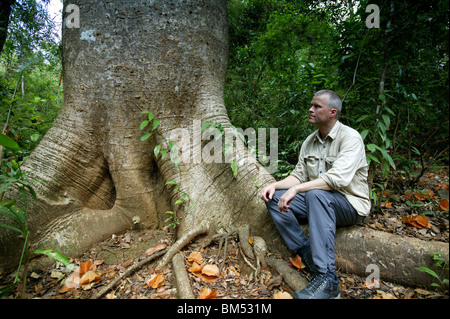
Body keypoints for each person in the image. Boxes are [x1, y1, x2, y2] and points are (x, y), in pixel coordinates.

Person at [261, 90, 370, 299]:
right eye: (311, 105)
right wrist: (275, 186)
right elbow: (299, 175)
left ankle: (327, 279)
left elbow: (336, 179)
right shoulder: (310, 141)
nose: (311, 110)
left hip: (350, 205)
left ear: (332, 112)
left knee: (315, 194)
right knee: (274, 198)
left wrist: (296, 190)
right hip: (319, 203)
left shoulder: (350, 138)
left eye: (317, 106)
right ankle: (306, 252)